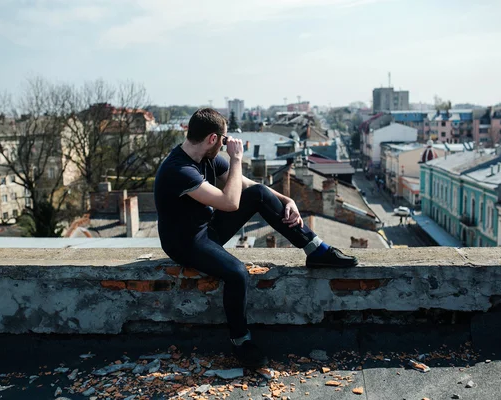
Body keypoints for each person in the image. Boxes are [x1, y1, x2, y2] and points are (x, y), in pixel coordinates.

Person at [154, 109, 359, 368]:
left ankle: (316, 249)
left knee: (260, 193)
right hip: (184, 243)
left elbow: (249, 186)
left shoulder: (206, 157)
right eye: (224, 139)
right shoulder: (179, 168)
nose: (227, 144)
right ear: (213, 139)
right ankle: (240, 341)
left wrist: (288, 200)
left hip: (207, 229)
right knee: (237, 272)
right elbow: (230, 203)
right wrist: (236, 158)